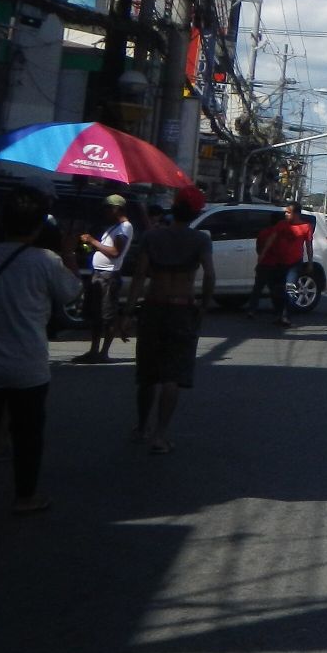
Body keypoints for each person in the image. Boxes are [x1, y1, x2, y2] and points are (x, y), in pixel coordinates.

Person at [0, 187, 82, 524]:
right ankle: (25, 496)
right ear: (39, 225)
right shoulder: (46, 261)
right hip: (27, 364)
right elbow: (72, 292)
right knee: (27, 434)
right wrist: (69, 252)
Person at [120, 185, 214, 455]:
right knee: (172, 375)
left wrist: (127, 313)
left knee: (148, 374)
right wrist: (204, 305)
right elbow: (209, 274)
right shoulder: (200, 240)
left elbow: (140, 275)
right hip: (181, 308)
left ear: (173, 208)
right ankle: (160, 435)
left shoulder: (153, 236)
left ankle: (142, 427)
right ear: (195, 212)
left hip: (154, 306)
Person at [74, 194, 133, 363]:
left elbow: (115, 252)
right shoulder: (114, 227)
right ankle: (94, 351)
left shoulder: (125, 227)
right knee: (96, 315)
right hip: (99, 273)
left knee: (107, 315)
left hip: (108, 275)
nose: (105, 212)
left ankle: (104, 352)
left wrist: (92, 241)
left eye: (108, 208)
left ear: (117, 209)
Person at [248, 205, 305, 327]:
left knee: (258, 288)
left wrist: (261, 257)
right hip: (277, 264)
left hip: (266, 264)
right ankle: (280, 313)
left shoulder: (265, 232)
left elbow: (259, 247)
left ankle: (252, 310)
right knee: (278, 290)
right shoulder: (282, 232)